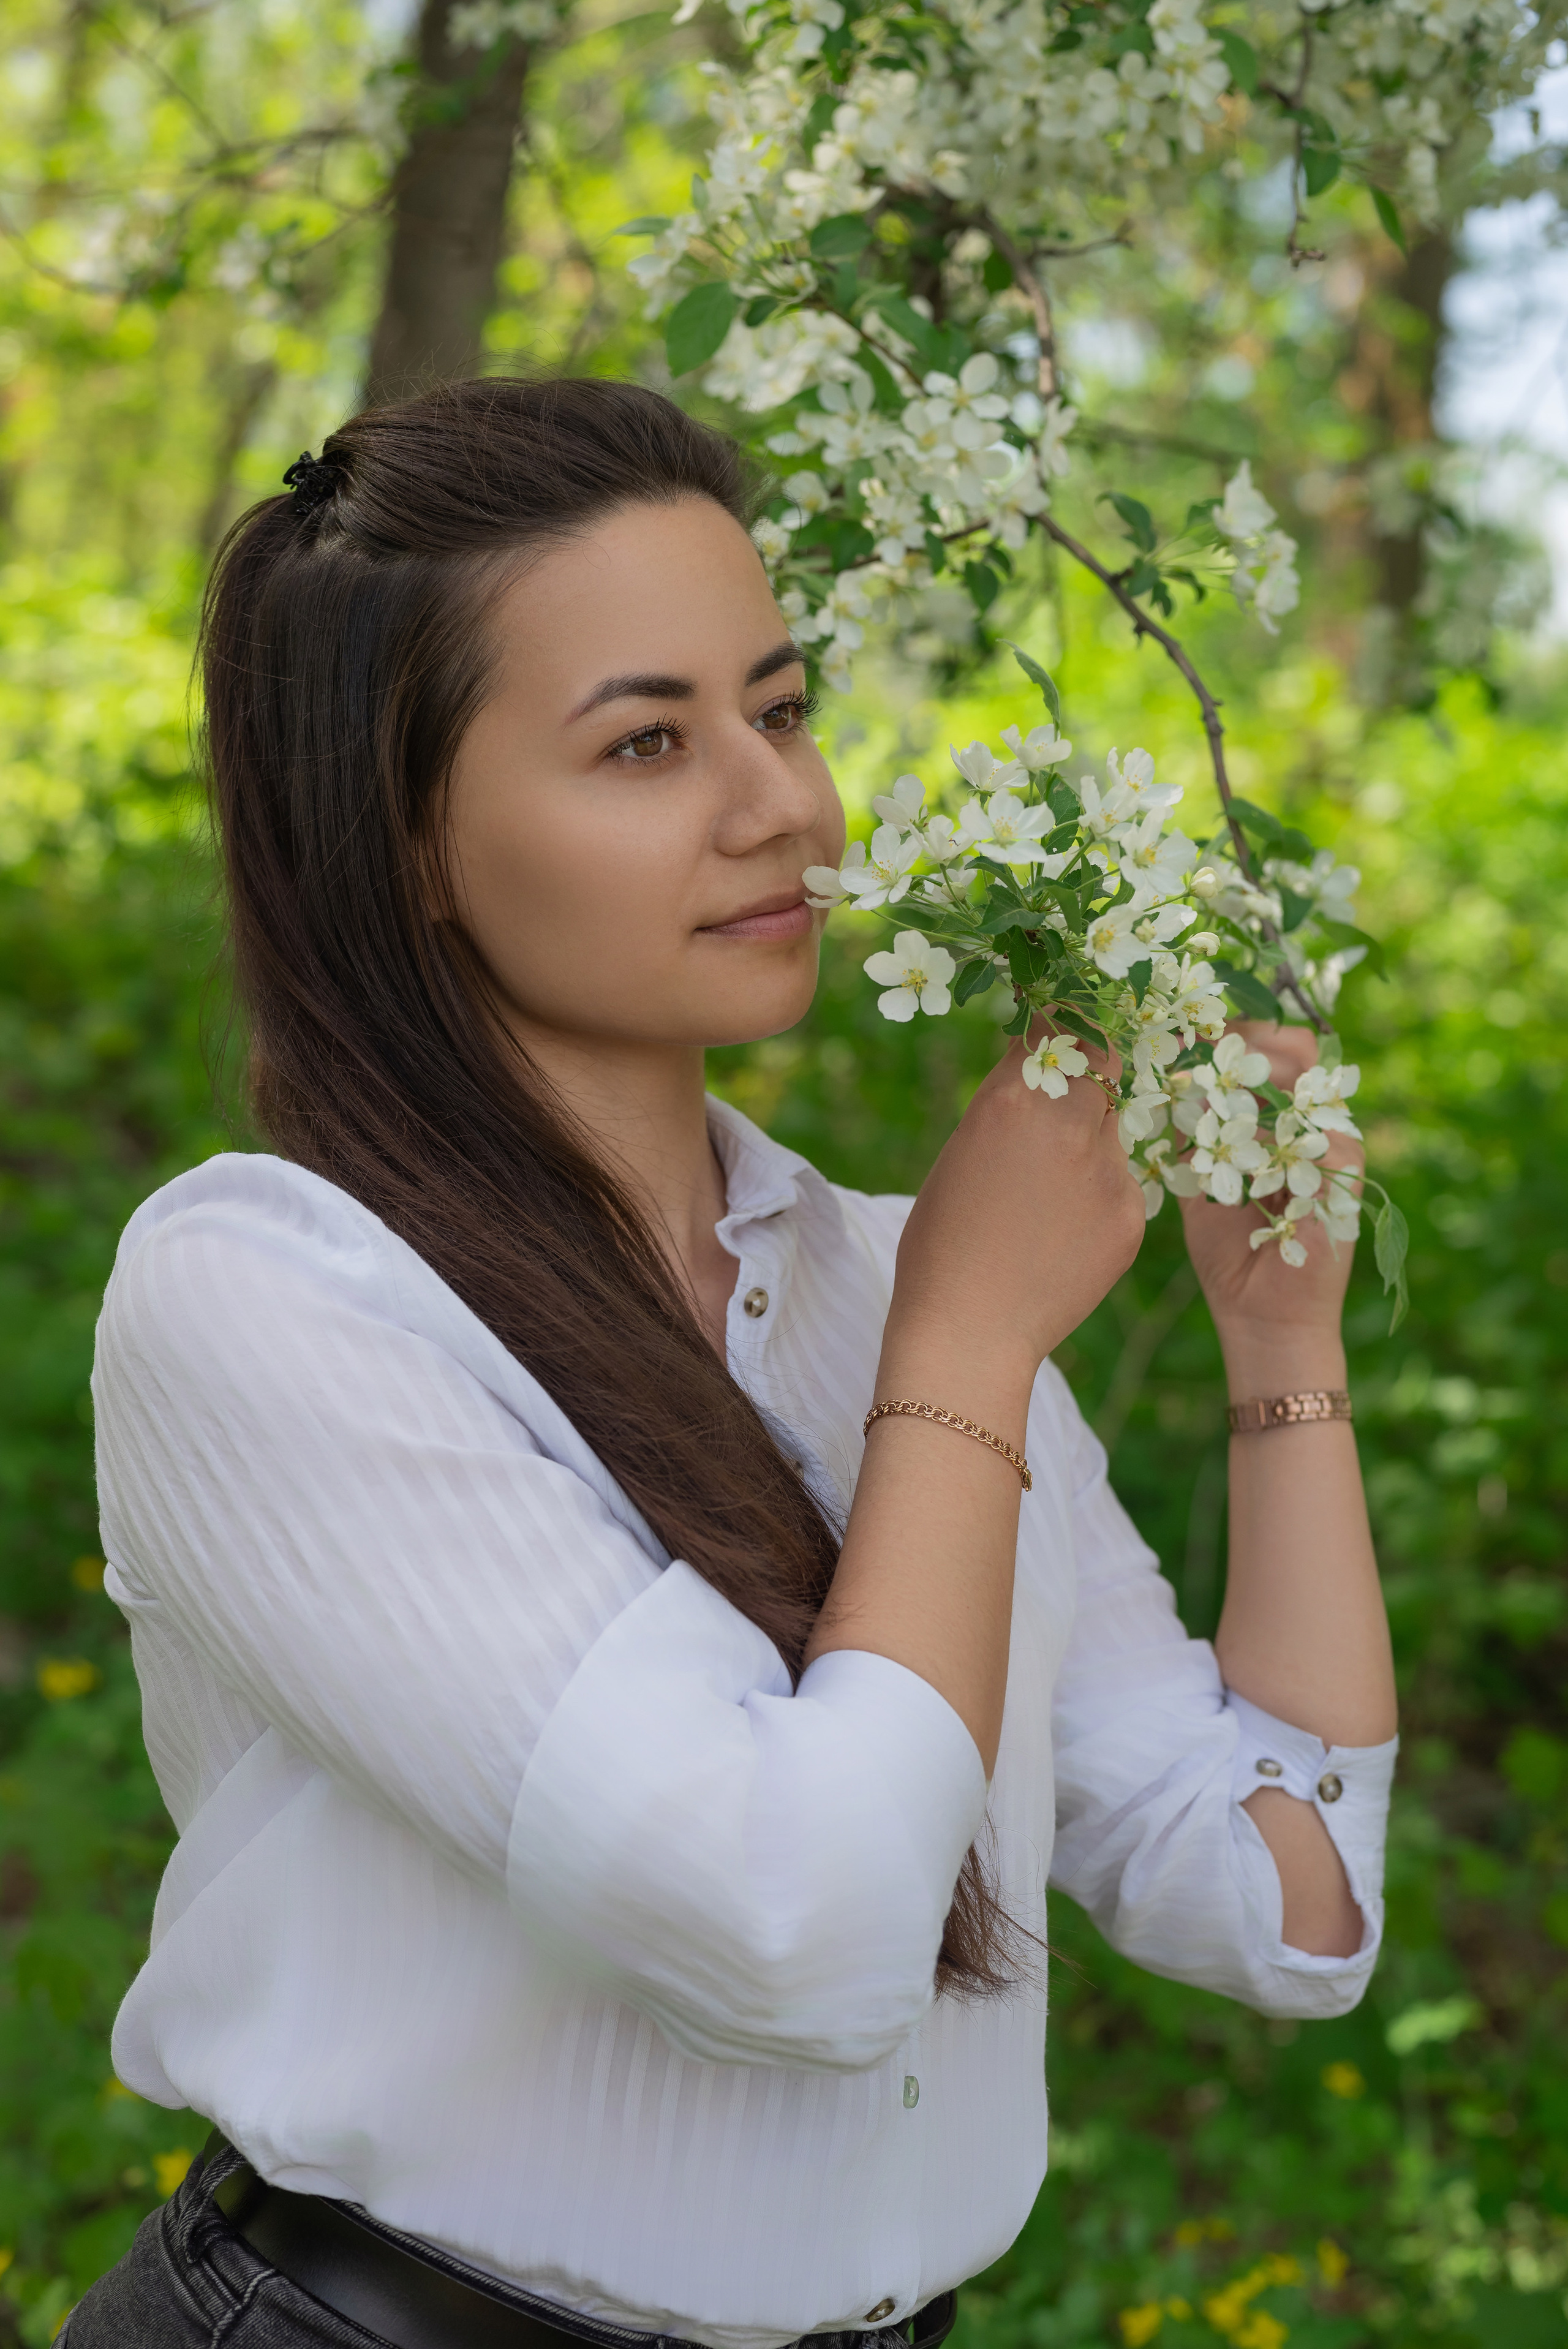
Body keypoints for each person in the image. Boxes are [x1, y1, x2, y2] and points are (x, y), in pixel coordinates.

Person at [69, 376, 1397, 2349]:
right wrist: (969, 1342)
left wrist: (1282, 1348)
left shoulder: (891, 1280)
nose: (781, 803)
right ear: (406, 836)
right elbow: (795, 1926)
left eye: (779, 709)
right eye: (647, 741)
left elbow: (1284, 1902)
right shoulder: (274, 1297)